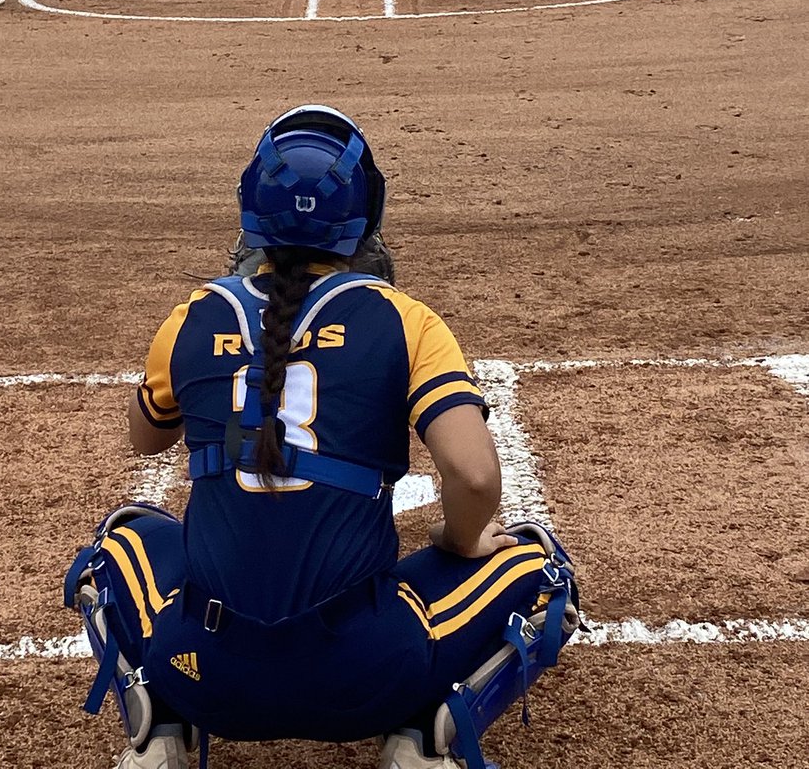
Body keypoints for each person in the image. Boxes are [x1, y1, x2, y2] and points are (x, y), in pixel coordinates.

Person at [65, 105, 580, 769]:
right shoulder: (403, 318)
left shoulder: (194, 315)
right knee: (541, 566)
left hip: (204, 672)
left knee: (122, 537)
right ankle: (428, 734)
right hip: (367, 673)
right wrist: (459, 542)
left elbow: (145, 439)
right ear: (365, 215)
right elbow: (475, 476)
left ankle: (159, 718)